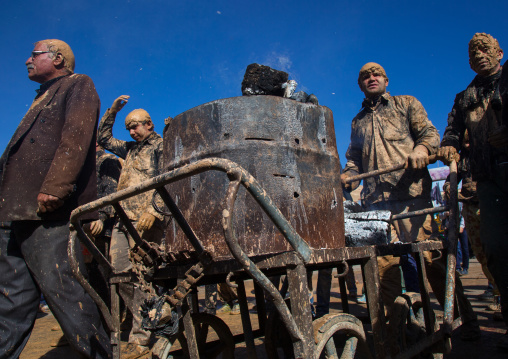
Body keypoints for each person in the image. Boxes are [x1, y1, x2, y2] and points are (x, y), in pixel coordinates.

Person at [341, 62, 480, 340]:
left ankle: (464, 320)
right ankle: (397, 330)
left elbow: (429, 134)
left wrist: (420, 149)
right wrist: (349, 174)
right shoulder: (358, 121)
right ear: (360, 85)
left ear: (386, 80)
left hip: (413, 198)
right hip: (377, 206)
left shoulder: (406, 104)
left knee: (433, 263)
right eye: (365, 76)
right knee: (384, 270)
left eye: (376, 74)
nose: (371, 78)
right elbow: (354, 158)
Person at [0, 39, 111, 358]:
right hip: (13, 213)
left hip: (48, 211)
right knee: (10, 305)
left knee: (67, 297)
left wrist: (57, 187)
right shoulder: (42, 97)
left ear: (58, 58)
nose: (26, 61)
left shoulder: (78, 85)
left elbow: (75, 136)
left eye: (33, 55)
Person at [439, 32, 508, 349]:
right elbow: (452, 130)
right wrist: (449, 147)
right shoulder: (464, 97)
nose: (479, 54)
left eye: (485, 49)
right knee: (495, 251)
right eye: (473, 52)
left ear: (499, 52)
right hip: (488, 181)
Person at [98, 95, 165, 358]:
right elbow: (103, 138)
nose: (131, 131)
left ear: (149, 124)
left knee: (141, 275)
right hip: (122, 220)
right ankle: (152, 317)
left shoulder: (162, 147)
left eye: (135, 126)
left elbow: (168, 179)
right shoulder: (129, 149)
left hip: (146, 220)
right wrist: (113, 111)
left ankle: (140, 339)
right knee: (120, 273)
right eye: (128, 128)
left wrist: (155, 209)